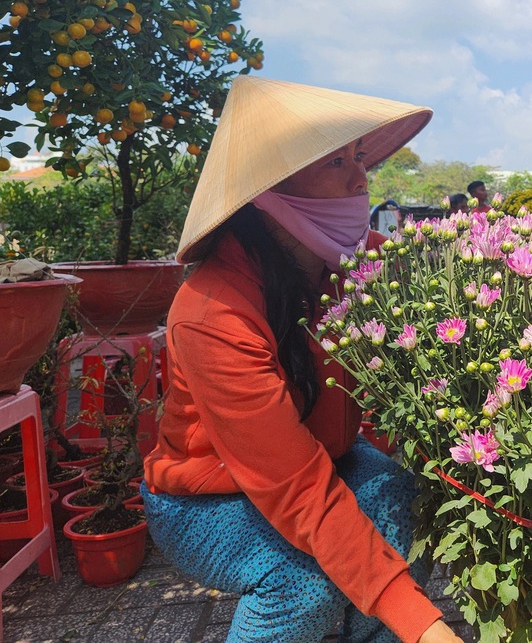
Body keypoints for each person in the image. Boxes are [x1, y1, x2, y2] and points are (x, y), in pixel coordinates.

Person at [141, 76, 465, 643]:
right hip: (206, 500)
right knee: (301, 580)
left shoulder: (351, 264)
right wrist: (429, 629)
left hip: (328, 457)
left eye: (358, 157)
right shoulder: (212, 311)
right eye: (336, 162)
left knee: (394, 501)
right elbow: (297, 490)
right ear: (269, 192)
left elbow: (449, 294)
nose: (362, 178)